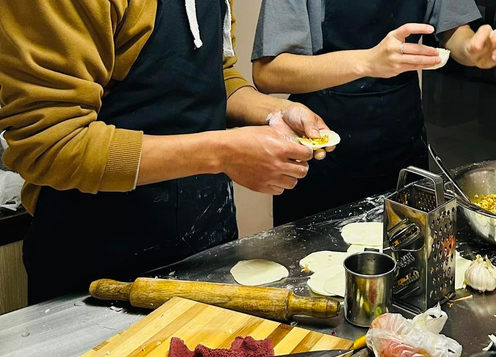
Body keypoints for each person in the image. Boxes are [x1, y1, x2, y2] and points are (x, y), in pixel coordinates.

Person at [0, 0, 333, 304]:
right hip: (95, 264)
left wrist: (273, 112)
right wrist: (223, 153)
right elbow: (50, 144)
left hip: (205, 246)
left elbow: (214, 75)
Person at [251, 0, 496, 225]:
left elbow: (453, 31)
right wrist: (367, 62)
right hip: (320, 150)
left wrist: (470, 48)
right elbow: (268, 71)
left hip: (402, 140)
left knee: (407, 263)